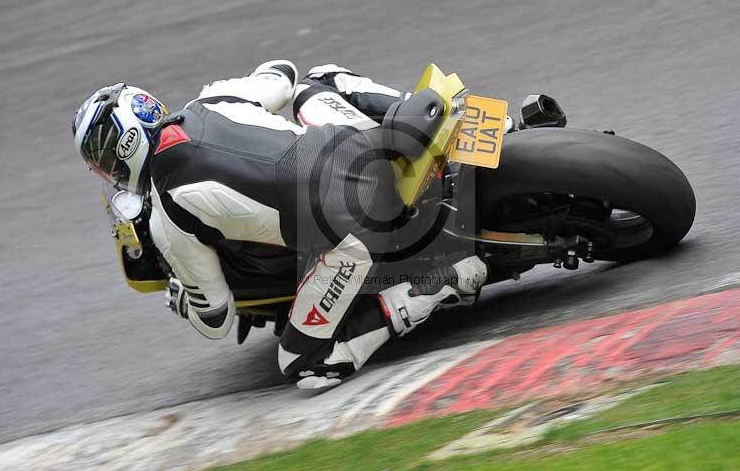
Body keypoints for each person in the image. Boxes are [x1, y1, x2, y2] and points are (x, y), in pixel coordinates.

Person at [72, 60, 488, 389]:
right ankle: (438, 114)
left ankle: (444, 282)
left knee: (302, 362)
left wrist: (184, 298)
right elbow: (283, 74)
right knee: (318, 78)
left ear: (120, 154)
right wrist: (258, 81)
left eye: (104, 162)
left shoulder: (167, 217)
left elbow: (217, 319)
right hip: (368, 149)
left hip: (356, 234)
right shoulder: (214, 99)